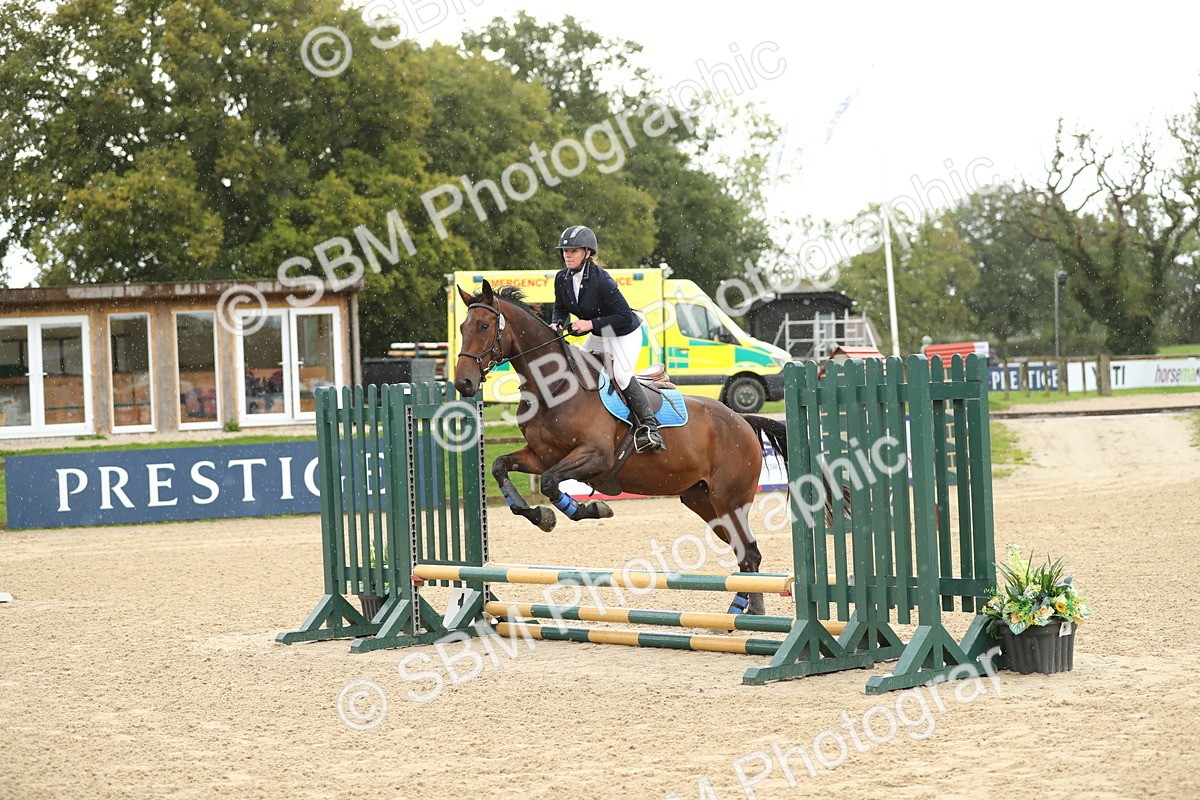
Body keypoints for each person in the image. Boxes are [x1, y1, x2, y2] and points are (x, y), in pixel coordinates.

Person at [550, 225, 666, 453]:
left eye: (573, 250)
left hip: (625, 333)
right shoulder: (561, 278)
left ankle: (651, 429)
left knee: (621, 375)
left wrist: (590, 323)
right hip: (600, 335)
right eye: (565, 250)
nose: (567, 255)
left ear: (587, 253)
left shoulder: (601, 279)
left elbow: (623, 316)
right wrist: (557, 322)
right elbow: (560, 308)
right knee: (578, 368)